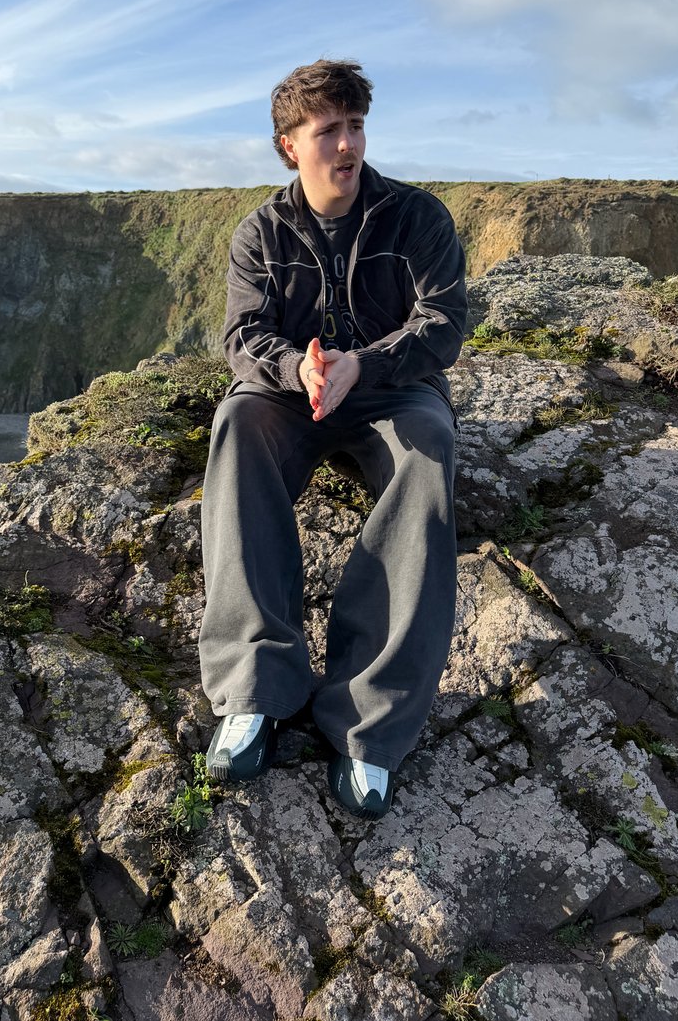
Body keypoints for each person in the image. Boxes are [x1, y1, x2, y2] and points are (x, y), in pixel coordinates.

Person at [199, 59, 467, 819]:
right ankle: (255, 687)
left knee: (429, 451)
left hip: (392, 387)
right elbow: (242, 335)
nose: (347, 144)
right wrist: (299, 368)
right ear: (290, 145)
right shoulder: (260, 231)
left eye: (355, 126)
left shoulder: (417, 217)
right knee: (236, 425)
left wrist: (365, 364)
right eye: (328, 131)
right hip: (293, 392)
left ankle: (370, 722)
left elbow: (444, 322)